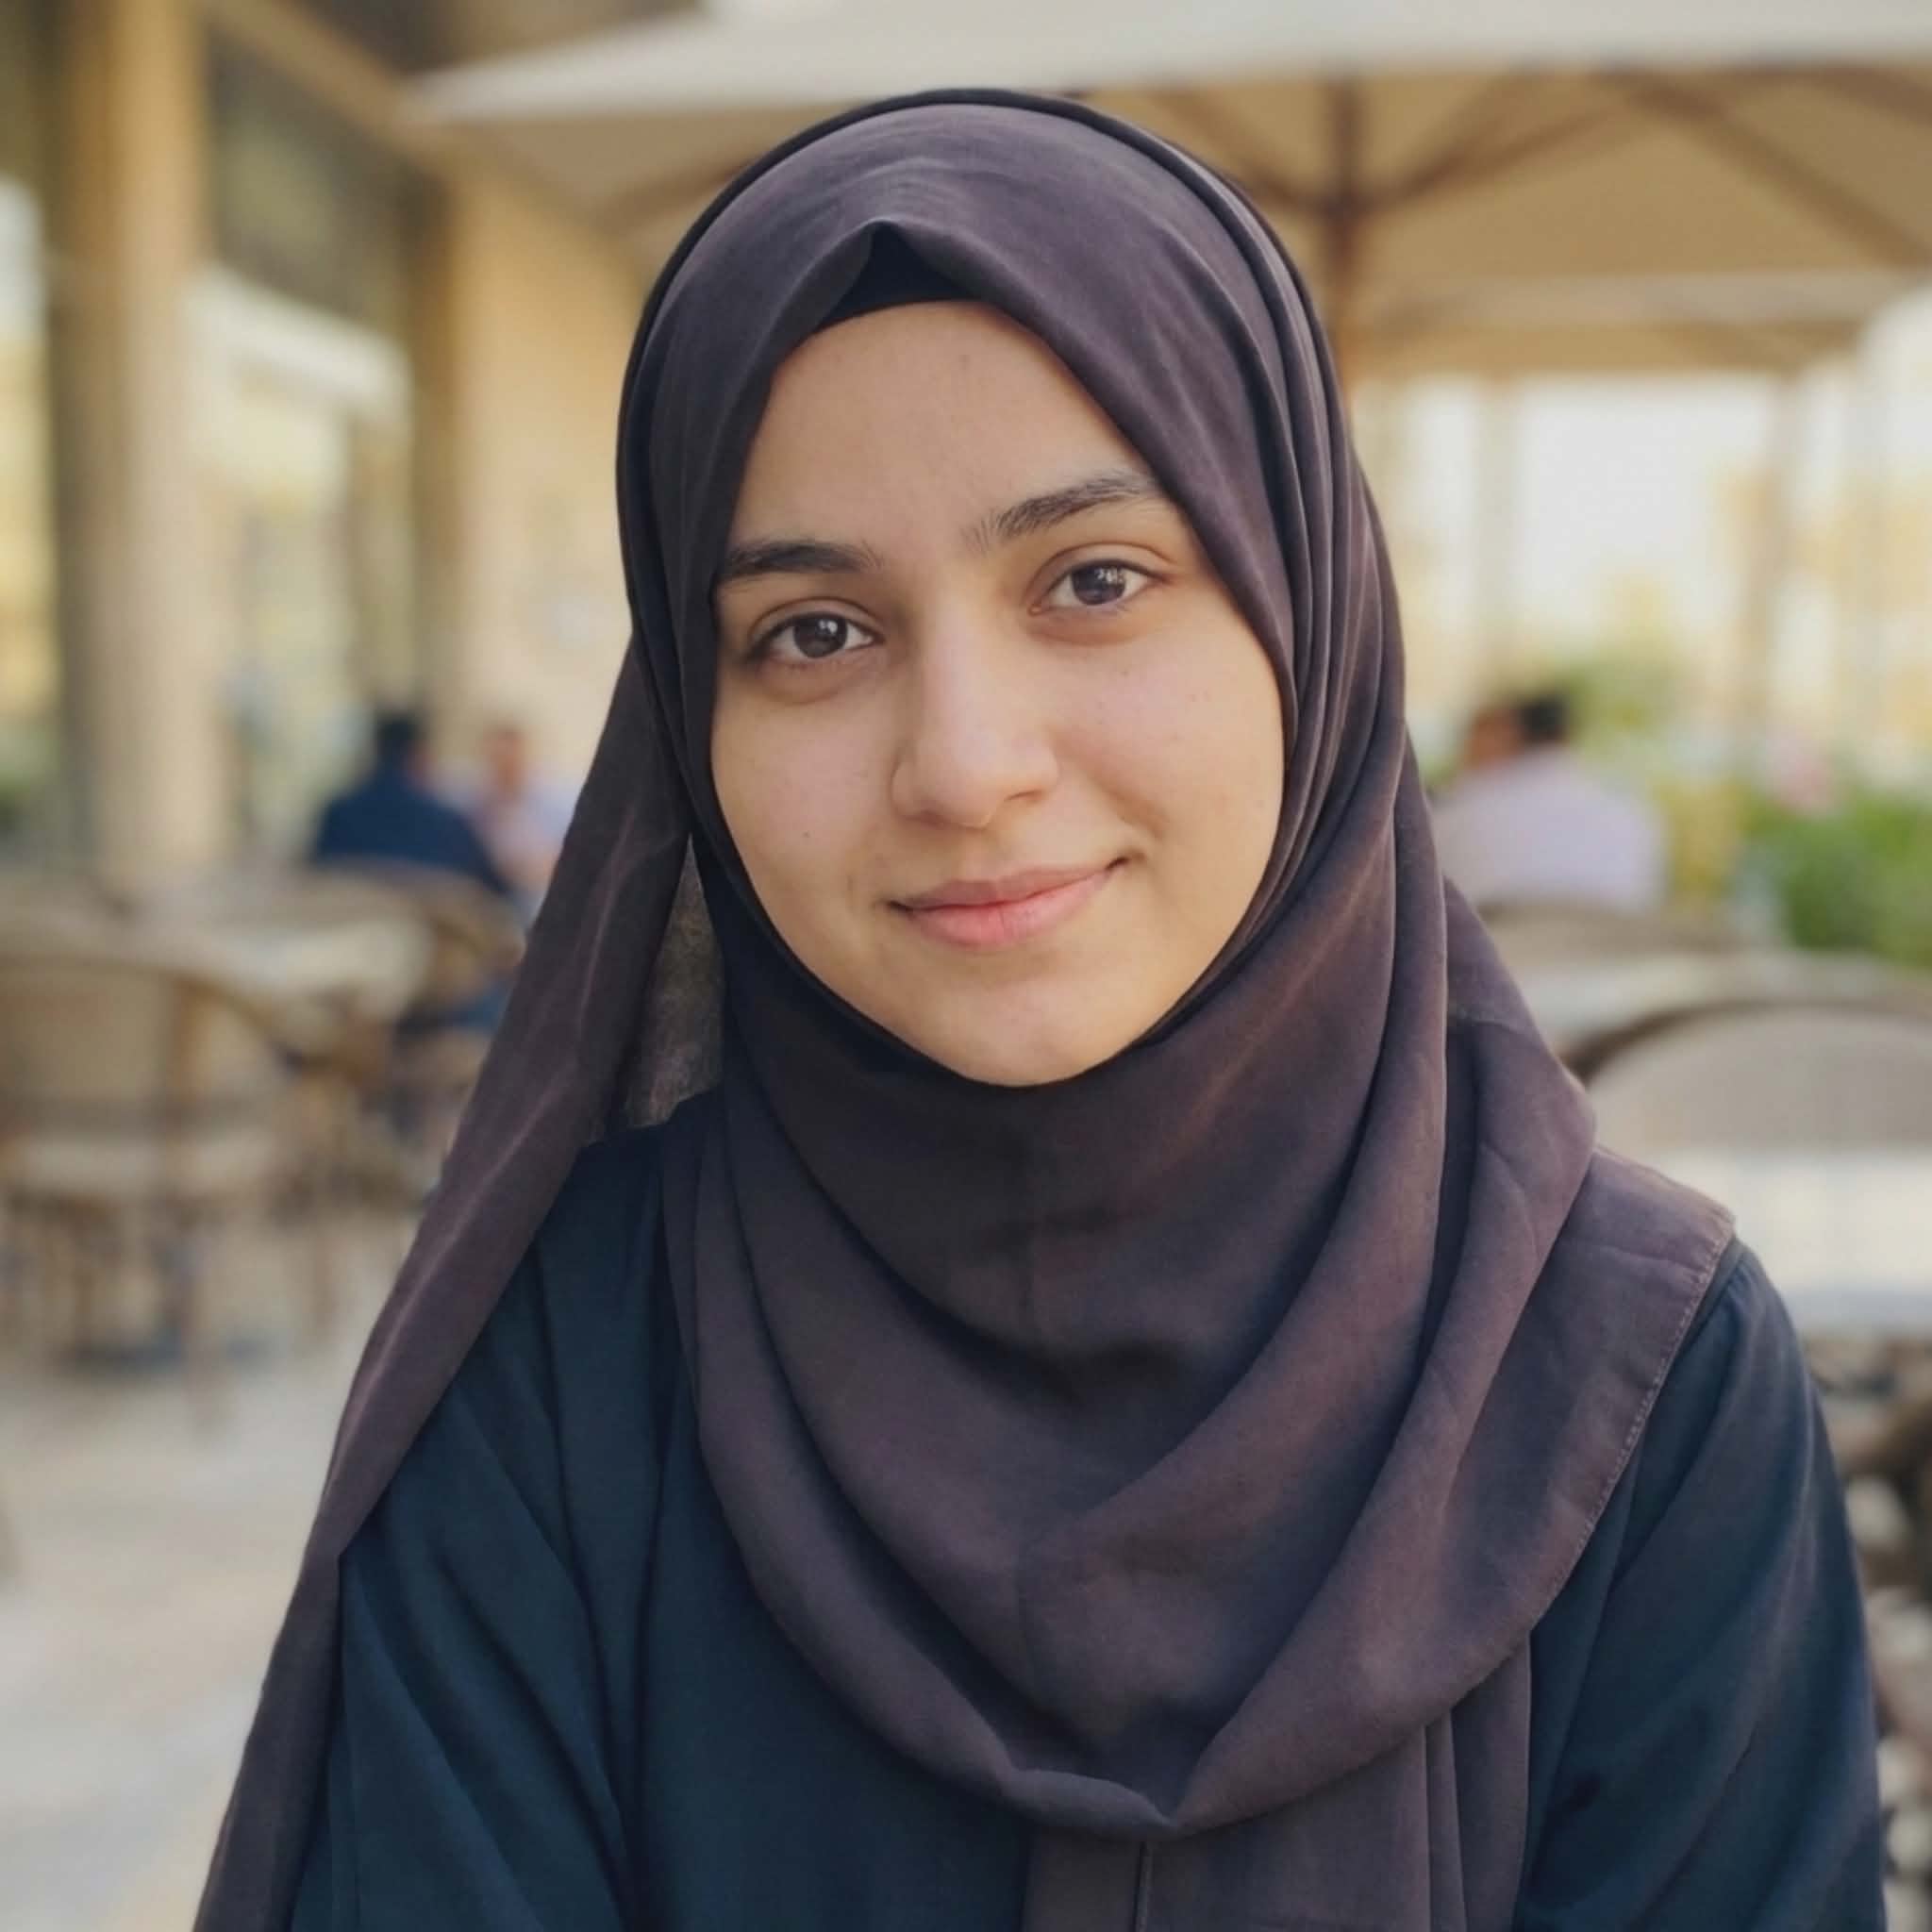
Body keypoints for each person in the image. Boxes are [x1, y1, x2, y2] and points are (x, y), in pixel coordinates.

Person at [200, 95, 1881, 1932]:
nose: (965, 763)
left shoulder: (1635, 1376)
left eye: (1094, 580)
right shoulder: (560, 1365)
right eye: (814, 632)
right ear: (693, 728)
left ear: (1304, 616)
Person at [1430, 688, 1670, 914]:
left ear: (1508, 735)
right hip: (1619, 952)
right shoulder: (1631, 811)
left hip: (1503, 949)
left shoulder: (1463, 808)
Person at [309, 709, 511, 900]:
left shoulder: (338, 814)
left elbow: (314, 875)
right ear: (419, 754)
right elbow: (494, 888)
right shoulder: (446, 824)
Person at [449, 718, 578, 915]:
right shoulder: (470, 799)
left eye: (510, 762)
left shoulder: (554, 801)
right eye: (497, 761)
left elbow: (560, 862)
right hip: (480, 890)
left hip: (530, 895)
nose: (503, 769)